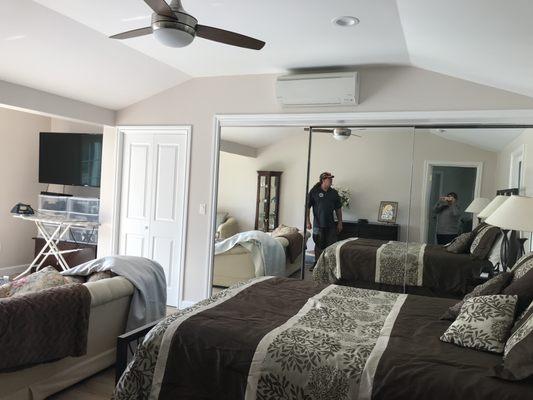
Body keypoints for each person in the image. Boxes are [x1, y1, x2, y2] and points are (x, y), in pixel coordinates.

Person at [306, 172, 343, 264]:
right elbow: (307, 207)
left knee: (331, 245)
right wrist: (307, 221)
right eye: (329, 179)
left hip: (330, 224)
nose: (331, 180)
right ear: (323, 180)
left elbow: (338, 209)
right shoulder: (314, 191)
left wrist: (340, 222)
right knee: (319, 244)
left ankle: (329, 265)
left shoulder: (334, 193)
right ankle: (317, 264)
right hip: (317, 224)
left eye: (331, 179)